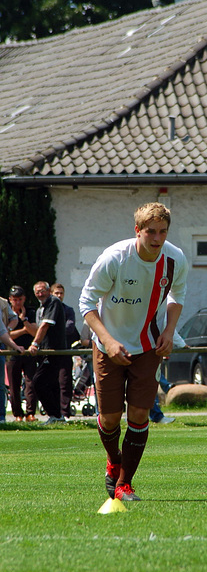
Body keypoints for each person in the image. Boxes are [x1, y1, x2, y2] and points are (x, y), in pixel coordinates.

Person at [79, 202, 188, 502]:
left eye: (162, 232)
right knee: (111, 418)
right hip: (108, 345)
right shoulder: (114, 258)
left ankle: (124, 484)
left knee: (139, 414)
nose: (157, 238)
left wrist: (168, 331)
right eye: (150, 231)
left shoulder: (175, 259)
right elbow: (86, 303)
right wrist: (109, 342)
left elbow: (178, 295)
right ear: (137, 230)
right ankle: (113, 460)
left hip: (148, 345)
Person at [27, 281, 67, 424]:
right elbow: (38, 329)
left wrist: (35, 344)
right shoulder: (41, 308)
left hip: (54, 350)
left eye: (42, 290)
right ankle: (58, 417)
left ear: (49, 290)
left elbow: (45, 326)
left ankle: (54, 415)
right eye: (37, 291)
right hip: (45, 351)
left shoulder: (53, 302)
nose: (40, 293)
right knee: (52, 384)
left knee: (38, 382)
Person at [6, 285, 38, 422]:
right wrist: (25, 330)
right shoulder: (6, 314)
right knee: (14, 385)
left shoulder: (31, 312)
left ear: (24, 299)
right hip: (12, 353)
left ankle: (30, 413)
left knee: (31, 383)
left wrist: (24, 319)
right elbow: (7, 335)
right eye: (14, 299)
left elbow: (35, 332)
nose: (17, 302)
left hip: (29, 353)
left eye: (20, 299)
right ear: (10, 300)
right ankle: (17, 414)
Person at [51, 282, 79, 418]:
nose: (59, 295)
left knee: (65, 382)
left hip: (64, 351)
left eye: (61, 293)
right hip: (49, 351)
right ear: (51, 294)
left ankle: (65, 413)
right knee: (50, 382)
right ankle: (53, 414)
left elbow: (70, 328)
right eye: (56, 293)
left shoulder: (68, 310)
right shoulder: (46, 309)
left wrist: (52, 330)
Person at [0, 296, 18, 423]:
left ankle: (1, 418)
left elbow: (1, 331)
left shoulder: (3, 303)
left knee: (0, 385)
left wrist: (14, 346)